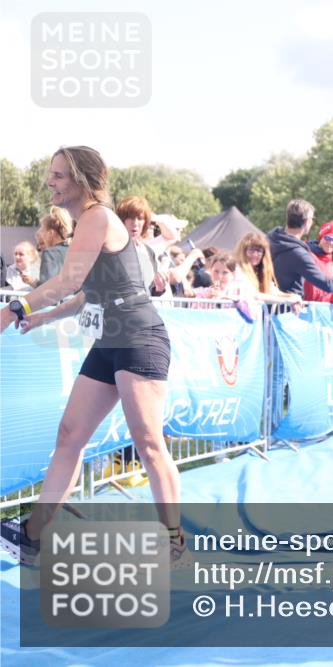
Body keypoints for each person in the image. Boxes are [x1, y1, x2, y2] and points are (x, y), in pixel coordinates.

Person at [0, 146, 186, 564]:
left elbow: (68, 279)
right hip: (109, 342)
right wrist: (43, 318)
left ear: (83, 180)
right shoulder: (90, 222)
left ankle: (175, 544)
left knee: (149, 444)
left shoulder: (98, 217)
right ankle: (33, 536)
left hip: (140, 338)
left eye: (59, 175)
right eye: (51, 174)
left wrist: (14, 309)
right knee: (69, 436)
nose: (50, 181)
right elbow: (87, 293)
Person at [268, 199, 333, 298]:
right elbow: (327, 284)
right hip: (289, 308)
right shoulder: (299, 253)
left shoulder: (270, 238)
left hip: (267, 306)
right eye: (312, 219)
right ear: (307, 221)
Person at [235, 231, 303, 306]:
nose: (255, 254)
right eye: (251, 250)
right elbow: (254, 295)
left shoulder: (259, 272)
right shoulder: (237, 270)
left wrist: (294, 297)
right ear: (243, 251)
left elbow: (273, 292)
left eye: (259, 250)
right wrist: (287, 300)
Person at [302, 221, 333, 303]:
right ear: (321, 237)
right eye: (328, 238)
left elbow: (327, 298)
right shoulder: (305, 253)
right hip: (302, 308)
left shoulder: (330, 262)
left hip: (319, 310)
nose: (331, 242)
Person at [36, 206, 74, 283]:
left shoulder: (50, 254)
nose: (41, 235)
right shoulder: (77, 251)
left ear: (51, 234)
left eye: (43, 230)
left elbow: (46, 289)